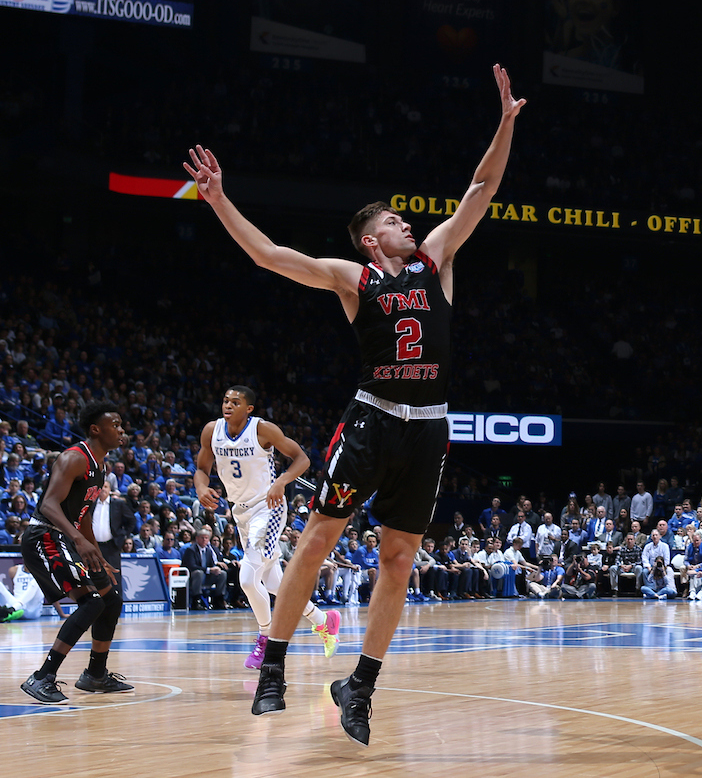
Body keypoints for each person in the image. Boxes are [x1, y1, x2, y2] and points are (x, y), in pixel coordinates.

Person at [185, 63, 525, 744]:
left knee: (399, 558)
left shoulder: (436, 260)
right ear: (374, 239)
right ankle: (274, 665)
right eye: (397, 220)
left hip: (427, 428)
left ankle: (361, 684)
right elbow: (269, 255)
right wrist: (218, 198)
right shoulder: (355, 276)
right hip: (370, 418)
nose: (410, 223)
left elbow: (481, 188)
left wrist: (505, 122)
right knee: (317, 537)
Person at [194, 385, 338, 667]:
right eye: (225, 400)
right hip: (240, 512)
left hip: (268, 508)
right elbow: (202, 468)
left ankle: (264, 639)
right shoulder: (212, 430)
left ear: (249, 408)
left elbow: (302, 458)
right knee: (274, 583)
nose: (228, 405)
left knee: (248, 578)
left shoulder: (263, 429)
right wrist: (200, 487)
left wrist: (281, 482)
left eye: (235, 402)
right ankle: (324, 620)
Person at [18, 401, 133, 703]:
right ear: (96, 429)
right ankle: (42, 676)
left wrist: (96, 554)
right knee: (92, 603)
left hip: (66, 538)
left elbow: (82, 518)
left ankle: (95, 675)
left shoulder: (100, 465)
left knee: (111, 600)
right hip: (44, 536)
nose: (121, 430)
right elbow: (48, 505)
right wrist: (78, 542)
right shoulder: (74, 458)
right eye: (115, 425)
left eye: (122, 425)